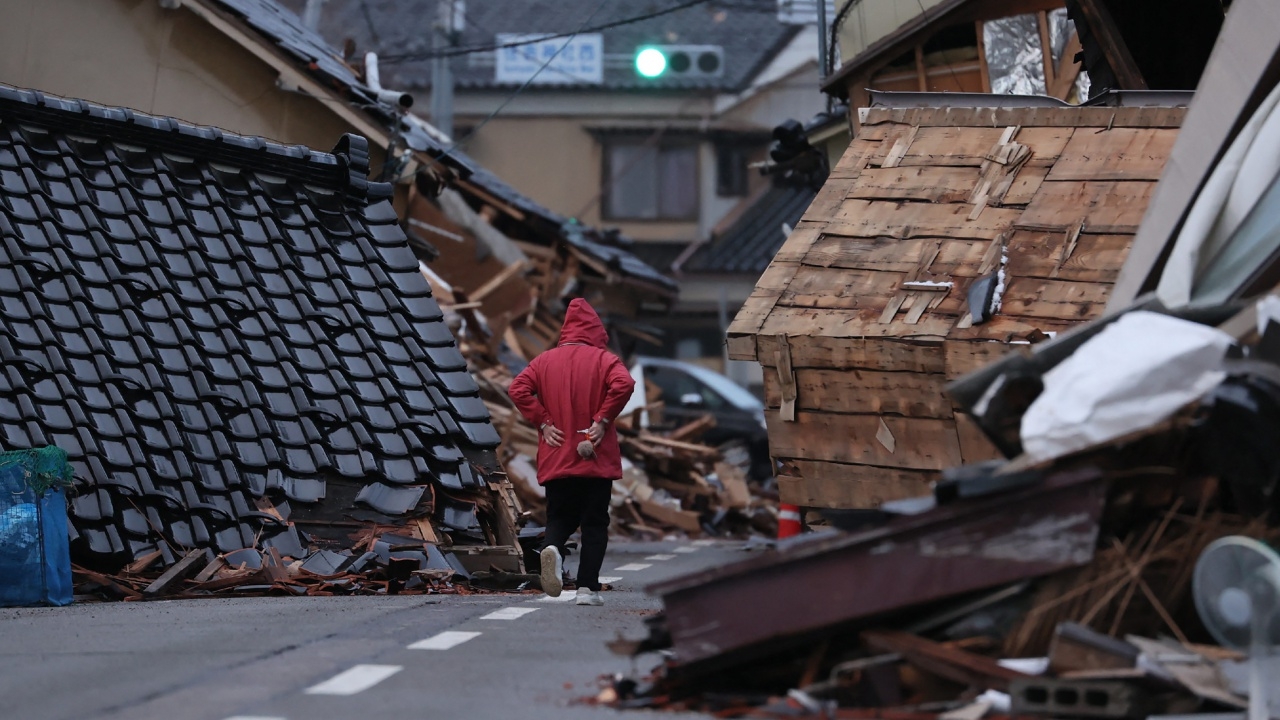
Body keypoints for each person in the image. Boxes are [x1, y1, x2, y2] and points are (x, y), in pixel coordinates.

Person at [508, 298, 635, 606]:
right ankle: (587, 589)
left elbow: (517, 389)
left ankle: (552, 547)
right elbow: (624, 384)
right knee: (594, 523)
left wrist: (543, 423)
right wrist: (602, 420)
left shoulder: (543, 361)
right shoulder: (605, 360)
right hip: (594, 456)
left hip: (557, 455)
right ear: (596, 330)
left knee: (560, 516)